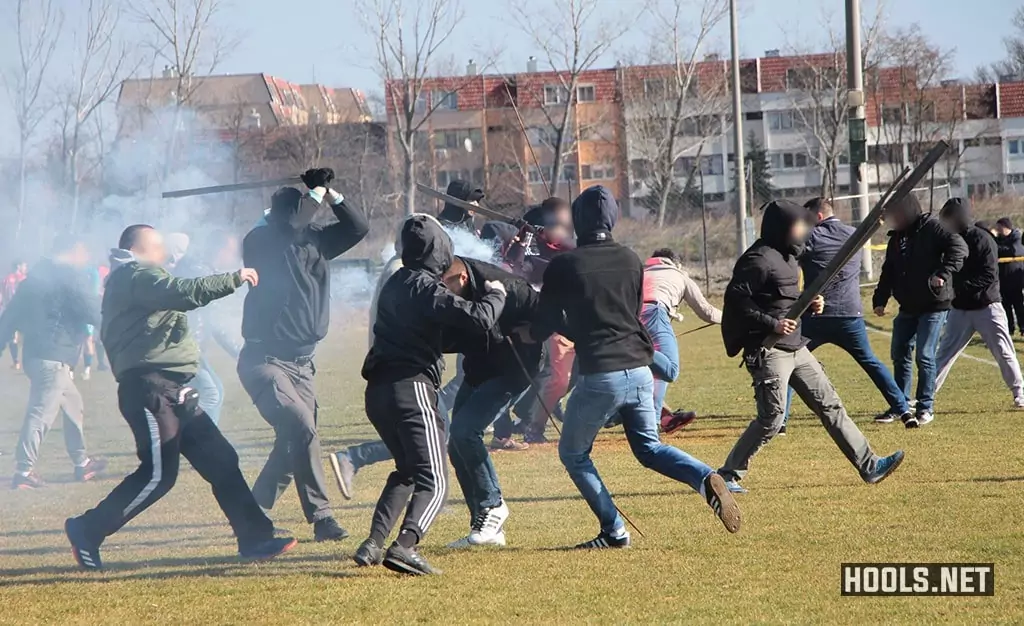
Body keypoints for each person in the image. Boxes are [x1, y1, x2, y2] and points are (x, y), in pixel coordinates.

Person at [64, 224, 295, 570]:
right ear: (139, 248)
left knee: (222, 460)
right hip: (150, 389)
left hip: (173, 388)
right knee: (158, 475)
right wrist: (232, 279)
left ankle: (256, 538)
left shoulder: (139, 277)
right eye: (158, 247)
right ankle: (86, 530)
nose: (165, 254)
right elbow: (180, 293)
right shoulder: (136, 274)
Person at [533, 185, 739, 549]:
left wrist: (566, 327)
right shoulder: (631, 259)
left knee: (572, 454)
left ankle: (613, 531)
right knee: (649, 449)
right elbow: (630, 314)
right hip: (642, 371)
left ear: (578, 219)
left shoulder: (565, 264)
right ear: (612, 219)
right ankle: (705, 477)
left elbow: (544, 321)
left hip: (601, 376)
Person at [718, 199, 906, 494]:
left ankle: (870, 466)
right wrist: (772, 324)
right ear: (782, 226)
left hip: (796, 347)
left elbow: (784, 297)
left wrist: (809, 302)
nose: (803, 229)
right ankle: (727, 474)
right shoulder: (758, 259)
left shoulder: (791, 257)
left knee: (830, 405)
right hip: (769, 349)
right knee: (772, 418)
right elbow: (736, 301)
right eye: (798, 224)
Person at [358, 214, 506, 575]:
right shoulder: (424, 287)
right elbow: (476, 318)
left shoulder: (395, 282)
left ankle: (373, 544)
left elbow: (435, 332)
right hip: (411, 389)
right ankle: (405, 547)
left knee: (407, 471)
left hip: (378, 391)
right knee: (436, 481)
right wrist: (497, 295)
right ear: (438, 249)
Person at [238, 167, 369, 542]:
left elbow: (359, 228)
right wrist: (314, 193)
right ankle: (323, 518)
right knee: (303, 429)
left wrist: (332, 193)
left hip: (301, 365)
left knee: (294, 439)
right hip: (264, 362)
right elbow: (293, 225)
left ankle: (252, 508)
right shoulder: (260, 242)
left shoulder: (315, 242)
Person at [781, 198, 911, 430]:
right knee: (871, 362)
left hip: (816, 315)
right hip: (850, 313)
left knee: (790, 363)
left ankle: (780, 421)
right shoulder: (855, 234)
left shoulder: (812, 237)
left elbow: (789, 253)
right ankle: (902, 408)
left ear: (818, 217)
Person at [441, 255, 543, 548]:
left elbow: (550, 313)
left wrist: (533, 332)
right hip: (479, 368)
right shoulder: (455, 289)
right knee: (456, 443)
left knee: (465, 431)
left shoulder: (510, 287)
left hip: (514, 370)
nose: (440, 290)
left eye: (443, 284)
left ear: (460, 279)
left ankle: (493, 505)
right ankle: (486, 527)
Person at [0, 234, 107, 489]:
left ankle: (82, 464)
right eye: (81, 251)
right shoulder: (68, 277)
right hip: (54, 356)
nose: (85, 257)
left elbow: (10, 315)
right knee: (41, 413)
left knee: (73, 404)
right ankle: (23, 472)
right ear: (70, 252)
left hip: (37, 355)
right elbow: (91, 310)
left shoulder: (35, 278)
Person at [873, 194, 967, 427]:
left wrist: (942, 274)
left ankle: (925, 407)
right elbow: (888, 270)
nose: (893, 220)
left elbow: (959, 247)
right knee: (899, 352)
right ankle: (900, 404)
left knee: (924, 355)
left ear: (906, 211)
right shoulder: (896, 239)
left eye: (895, 214)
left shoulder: (933, 227)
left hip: (934, 305)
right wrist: (880, 298)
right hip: (908, 306)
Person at [935, 199, 1024, 408]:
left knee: (1003, 350)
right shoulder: (949, 240)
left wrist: (958, 288)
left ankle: (1020, 393)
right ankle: (926, 396)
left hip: (987, 306)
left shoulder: (982, 239)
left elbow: (988, 275)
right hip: (960, 309)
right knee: (944, 353)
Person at [641, 248, 722, 434]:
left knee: (653, 370)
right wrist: (731, 319)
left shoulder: (640, 272)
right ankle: (649, 423)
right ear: (675, 263)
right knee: (669, 369)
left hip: (630, 319)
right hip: (655, 314)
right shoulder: (678, 274)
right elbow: (706, 312)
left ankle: (663, 418)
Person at [174, 229, 245, 426]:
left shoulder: (198, 267)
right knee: (211, 394)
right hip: (182, 347)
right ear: (219, 250)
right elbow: (215, 318)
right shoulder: (200, 271)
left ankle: (196, 438)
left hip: (187, 346)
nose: (234, 256)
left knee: (214, 391)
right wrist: (238, 351)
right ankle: (200, 441)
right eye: (231, 251)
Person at [993, 217, 1024, 336]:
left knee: (1018, 305)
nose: (998, 229)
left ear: (1005, 227)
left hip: (1015, 280)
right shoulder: (998, 239)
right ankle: (1009, 328)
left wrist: (998, 249)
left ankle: (1022, 328)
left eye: (999, 227)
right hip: (1003, 279)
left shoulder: (1016, 238)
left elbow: (1014, 251)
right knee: (1005, 306)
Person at [2, 260, 28, 370]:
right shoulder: (26, 279)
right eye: (24, 265)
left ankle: (16, 362)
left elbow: (2, 295)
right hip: (25, 310)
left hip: (11, 310)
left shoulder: (6, 279)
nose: (26, 267)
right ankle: (28, 362)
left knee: (12, 337)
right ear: (18, 266)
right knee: (28, 336)